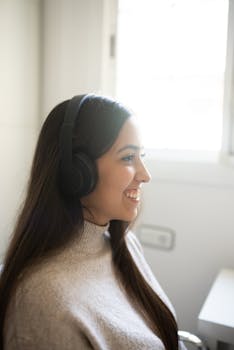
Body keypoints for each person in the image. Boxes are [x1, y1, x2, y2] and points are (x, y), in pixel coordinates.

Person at [0, 94, 183, 350]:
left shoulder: (125, 244)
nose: (145, 175)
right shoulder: (42, 300)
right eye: (128, 158)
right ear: (77, 173)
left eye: (142, 156)